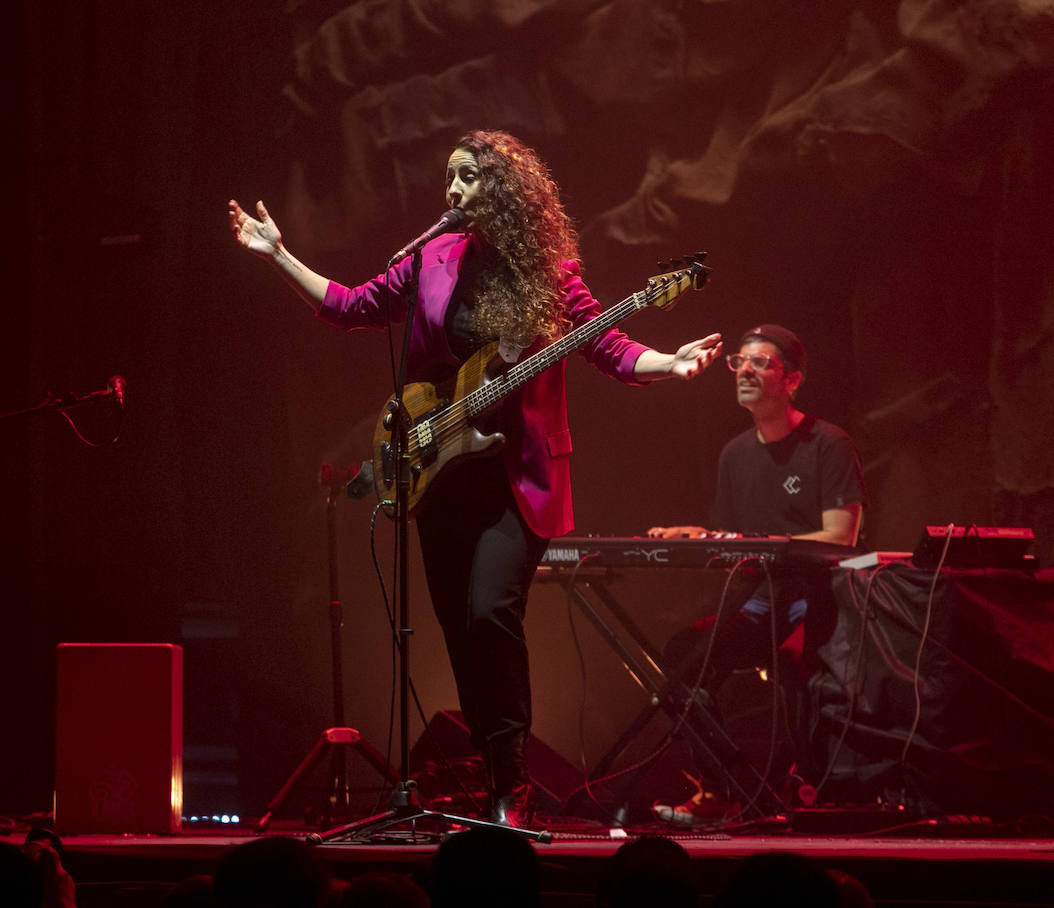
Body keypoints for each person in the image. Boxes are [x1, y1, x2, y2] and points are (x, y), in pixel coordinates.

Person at [229, 129, 722, 827]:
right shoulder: (431, 256)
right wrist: (279, 254)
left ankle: (512, 788)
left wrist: (667, 363)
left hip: (515, 477)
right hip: (436, 472)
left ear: (506, 192)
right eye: (449, 180)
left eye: (467, 179)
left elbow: (606, 344)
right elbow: (350, 307)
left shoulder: (547, 272)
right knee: (460, 631)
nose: (452, 192)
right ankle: (493, 777)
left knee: (491, 613)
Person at [646, 324, 865, 827]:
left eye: (760, 362)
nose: (744, 370)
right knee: (683, 659)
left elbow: (842, 538)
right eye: (738, 362)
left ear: (792, 380)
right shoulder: (735, 453)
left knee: (799, 664)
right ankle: (726, 789)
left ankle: (803, 789)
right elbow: (733, 544)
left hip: (815, 600)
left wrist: (761, 546)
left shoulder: (829, 444)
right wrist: (698, 536)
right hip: (757, 601)